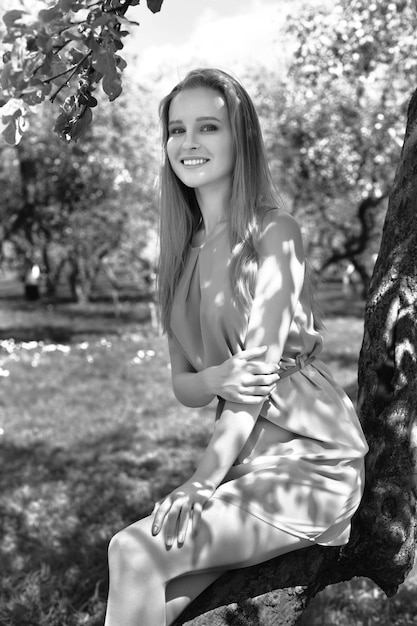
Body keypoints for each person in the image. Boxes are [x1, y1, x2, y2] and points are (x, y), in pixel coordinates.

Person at [104, 68, 368, 626]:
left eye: (208, 127)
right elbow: (187, 387)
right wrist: (213, 380)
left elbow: (258, 374)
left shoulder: (276, 233)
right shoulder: (178, 252)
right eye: (177, 129)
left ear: (240, 138)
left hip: (311, 464)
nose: (189, 142)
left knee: (132, 551)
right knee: (148, 589)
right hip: (245, 467)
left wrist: (201, 480)